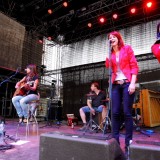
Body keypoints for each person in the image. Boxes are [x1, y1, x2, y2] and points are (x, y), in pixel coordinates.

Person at [105, 31, 139, 155]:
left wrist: (132, 83)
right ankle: (116, 143)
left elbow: (134, 66)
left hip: (126, 83)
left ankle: (129, 143)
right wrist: (108, 53)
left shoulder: (127, 49)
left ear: (118, 38)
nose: (111, 38)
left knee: (127, 113)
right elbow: (108, 67)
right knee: (114, 113)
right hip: (115, 85)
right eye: (110, 38)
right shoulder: (111, 54)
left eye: (113, 37)